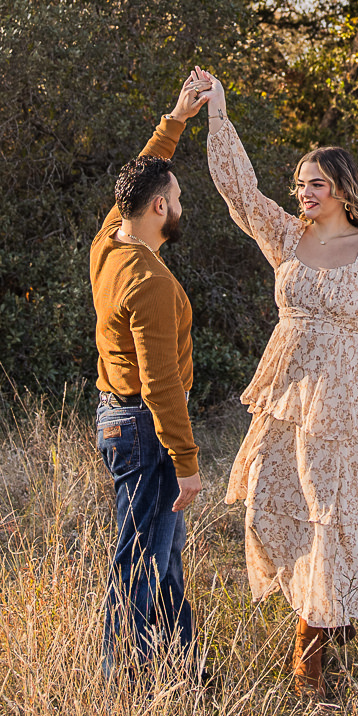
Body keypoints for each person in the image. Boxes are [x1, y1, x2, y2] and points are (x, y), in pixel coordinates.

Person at [196, 68, 358, 701]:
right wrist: (217, 116)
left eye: (316, 183)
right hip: (286, 391)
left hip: (346, 402)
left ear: (342, 188)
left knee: (330, 518)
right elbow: (239, 192)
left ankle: (309, 660)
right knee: (267, 500)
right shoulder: (286, 236)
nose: (304, 193)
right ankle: (330, 616)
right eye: (300, 184)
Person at [90, 77, 209, 677]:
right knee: (141, 561)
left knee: (162, 560)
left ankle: (185, 671)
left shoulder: (109, 245)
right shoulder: (153, 283)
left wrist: (176, 119)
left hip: (119, 420)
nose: (181, 207)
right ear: (160, 207)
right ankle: (123, 689)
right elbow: (162, 384)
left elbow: (137, 178)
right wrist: (185, 463)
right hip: (146, 429)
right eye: (178, 197)